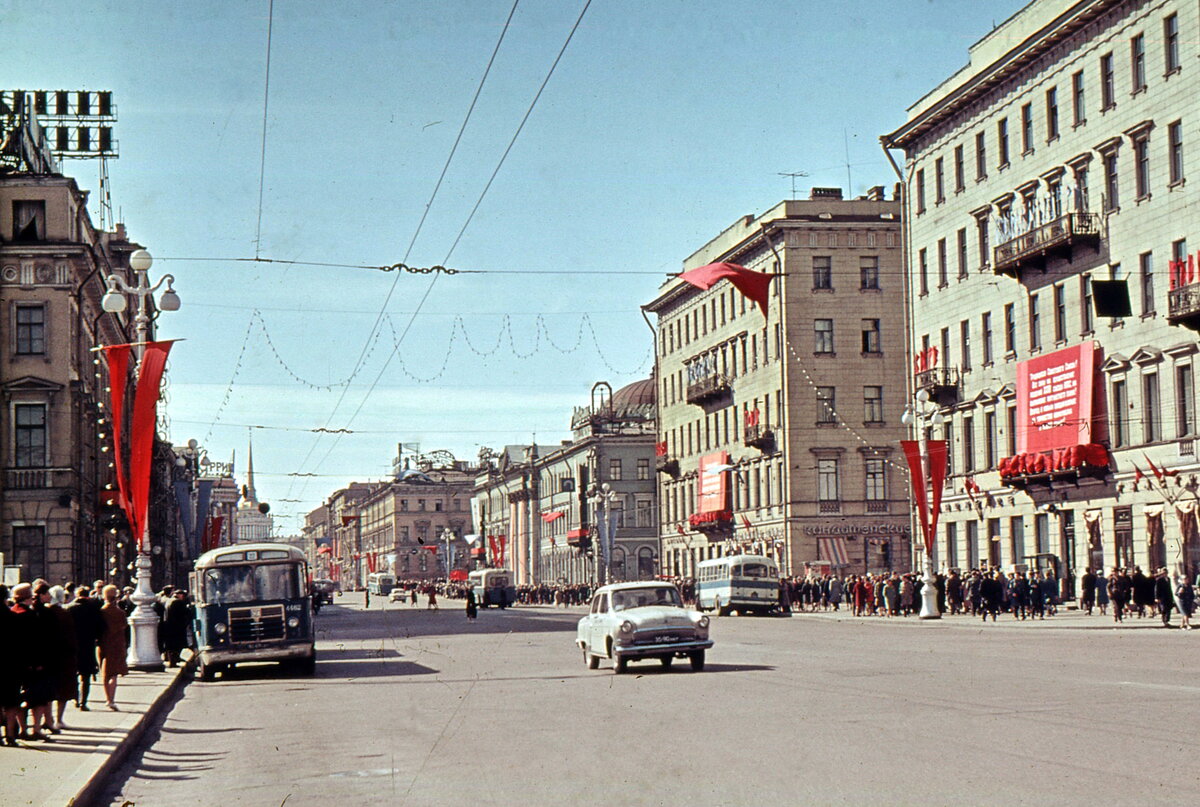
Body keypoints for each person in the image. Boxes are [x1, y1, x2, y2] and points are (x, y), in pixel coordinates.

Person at [67, 587, 102, 712]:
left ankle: (76, 698)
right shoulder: (93, 609)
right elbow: (100, 628)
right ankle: (83, 702)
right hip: (88, 646)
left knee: (73, 674)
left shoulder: (69, 608)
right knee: (85, 676)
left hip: (72, 646)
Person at [47, 586, 77, 732]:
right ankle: (58, 719)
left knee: (49, 690)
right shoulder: (64, 613)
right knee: (63, 690)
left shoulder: (45, 612)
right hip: (64, 657)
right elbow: (71, 636)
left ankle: (48, 719)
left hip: (48, 656)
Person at [97, 585, 129, 710]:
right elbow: (124, 627)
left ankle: (107, 699)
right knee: (114, 674)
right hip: (118, 645)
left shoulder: (101, 612)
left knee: (105, 673)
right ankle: (112, 699)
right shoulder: (121, 613)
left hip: (104, 644)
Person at [162, 589, 191, 666]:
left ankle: (172, 661)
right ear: (179, 595)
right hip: (177, 628)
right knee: (176, 646)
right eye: (183, 595)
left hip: (169, 627)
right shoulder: (177, 602)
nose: (184, 597)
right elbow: (184, 613)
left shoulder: (169, 601)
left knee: (171, 646)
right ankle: (174, 661)